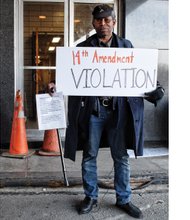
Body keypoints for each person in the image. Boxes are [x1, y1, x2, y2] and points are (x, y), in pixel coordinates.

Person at [49, 4, 164, 219]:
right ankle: (90, 197)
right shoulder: (83, 48)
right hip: (94, 111)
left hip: (118, 111)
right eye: (99, 20)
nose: (103, 24)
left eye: (107, 20)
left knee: (120, 157)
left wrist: (157, 87)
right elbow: (71, 74)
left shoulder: (126, 46)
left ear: (113, 21)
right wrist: (56, 84)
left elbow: (140, 71)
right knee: (89, 155)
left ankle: (124, 199)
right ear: (93, 23)